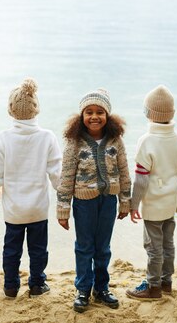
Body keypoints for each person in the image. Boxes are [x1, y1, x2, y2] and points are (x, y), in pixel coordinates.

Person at [0, 78, 62, 299]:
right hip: (38, 208)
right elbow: (56, 172)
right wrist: (64, 193)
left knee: (12, 250)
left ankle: (10, 286)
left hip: (13, 211)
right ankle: (37, 284)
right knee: (38, 250)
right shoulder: (47, 137)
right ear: (36, 109)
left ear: (10, 110)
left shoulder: (5, 138)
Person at [56, 88, 131, 313]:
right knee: (84, 247)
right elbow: (66, 176)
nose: (94, 116)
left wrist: (125, 200)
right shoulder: (75, 142)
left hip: (108, 201)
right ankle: (82, 289)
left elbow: (124, 171)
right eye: (89, 112)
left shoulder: (115, 141)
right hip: (83, 203)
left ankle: (102, 288)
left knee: (103, 247)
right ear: (82, 116)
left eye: (100, 112)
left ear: (108, 115)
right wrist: (62, 208)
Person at [125, 85, 177, 300]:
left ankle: (153, 286)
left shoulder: (147, 141)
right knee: (168, 244)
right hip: (170, 202)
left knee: (153, 247)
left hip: (153, 204)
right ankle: (167, 281)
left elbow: (141, 180)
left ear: (149, 114)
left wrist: (134, 204)